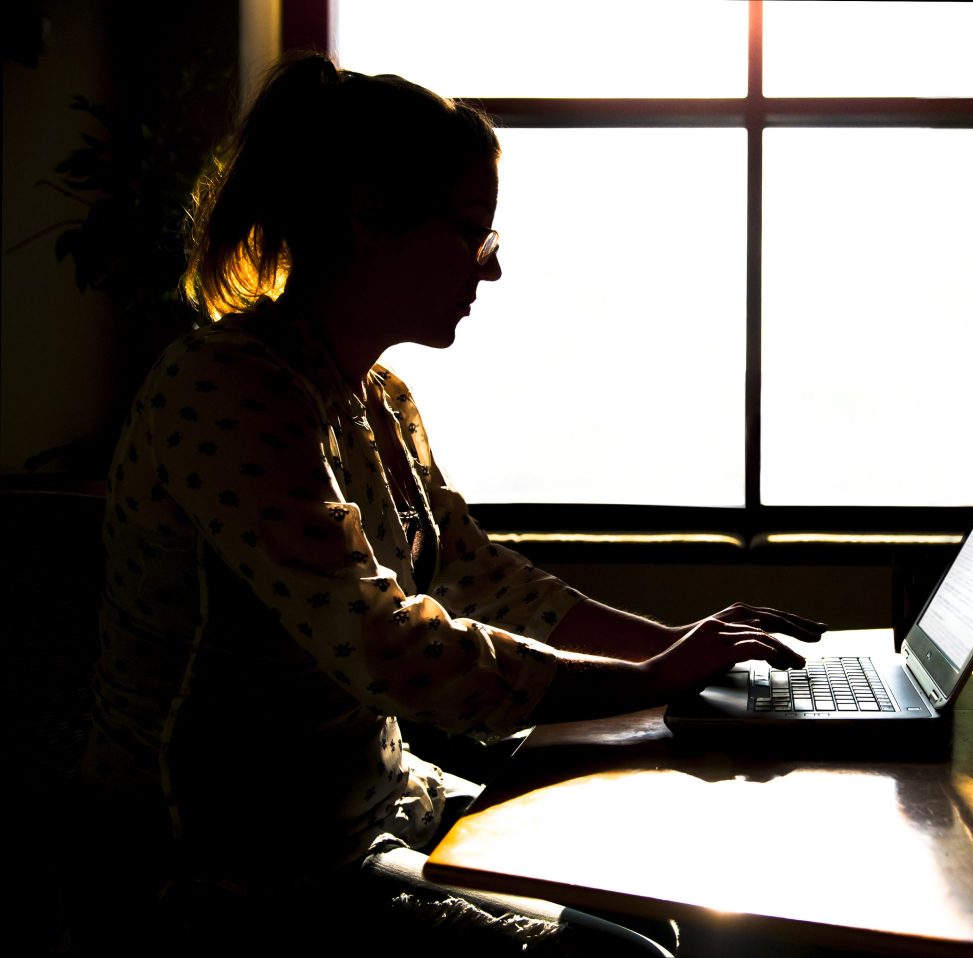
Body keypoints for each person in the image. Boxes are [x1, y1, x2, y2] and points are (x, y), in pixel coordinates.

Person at [79, 52, 823, 949]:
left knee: (674, 883)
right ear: (368, 218)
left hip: (379, 806)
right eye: (475, 231)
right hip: (231, 869)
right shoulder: (226, 388)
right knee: (623, 954)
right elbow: (386, 645)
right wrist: (647, 682)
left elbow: (475, 576)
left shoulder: (376, 397)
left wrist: (672, 647)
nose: (491, 269)